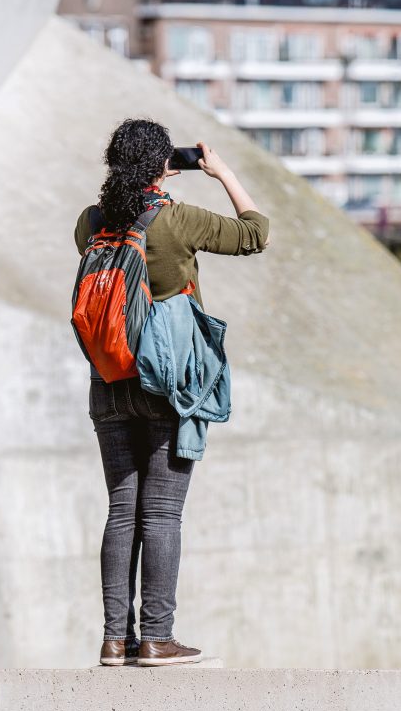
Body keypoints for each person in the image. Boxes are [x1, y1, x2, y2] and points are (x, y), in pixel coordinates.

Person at [74, 118, 270, 667]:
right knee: (160, 514)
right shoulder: (176, 220)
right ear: (166, 165)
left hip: (109, 381)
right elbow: (256, 232)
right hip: (167, 384)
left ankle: (117, 639)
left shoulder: (91, 222)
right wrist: (222, 172)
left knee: (122, 511)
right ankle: (157, 637)